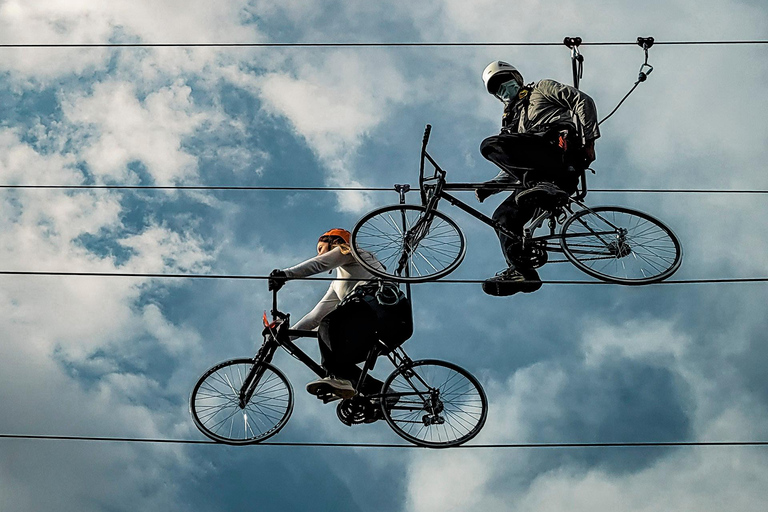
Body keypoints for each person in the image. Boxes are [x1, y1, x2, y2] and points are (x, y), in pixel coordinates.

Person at [477, 61, 600, 296]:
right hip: (535, 181)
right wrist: (490, 187)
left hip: (558, 156)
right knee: (503, 217)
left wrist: (590, 143)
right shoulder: (513, 122)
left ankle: (543, 184)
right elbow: (514, 165)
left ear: (515, 77)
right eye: (497, 87)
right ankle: (523, 271)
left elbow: (583, 101)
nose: (503, 88)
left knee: (491, 145)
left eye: (504, 81)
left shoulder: (541, 89)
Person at [268, 228, 409, 402]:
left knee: (330, 324)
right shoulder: (339, 284)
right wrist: (286, 335)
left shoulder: (350, 252)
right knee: (339, 361)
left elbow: (319, 264)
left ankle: (336, 378)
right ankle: (383, 393)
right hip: (389, 324)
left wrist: (285, 275)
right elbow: (315, 317)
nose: (320, 253)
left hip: (381, 309)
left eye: (321, 248)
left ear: (334, 241)